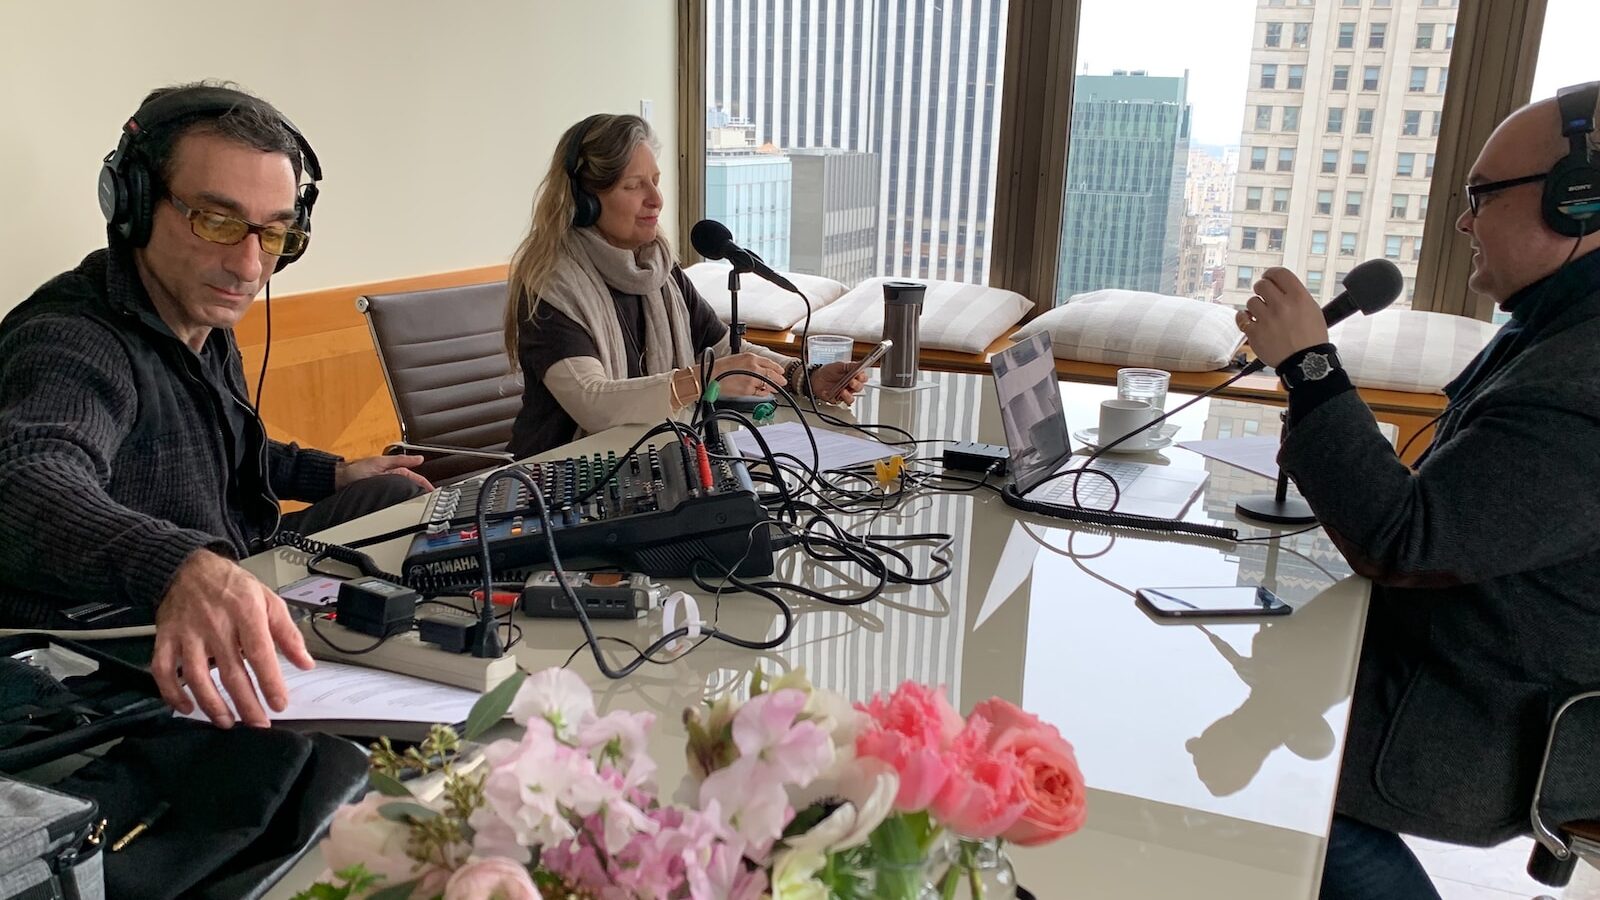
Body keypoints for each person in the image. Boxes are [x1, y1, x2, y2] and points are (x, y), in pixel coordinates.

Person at [1236, 83, 1600, 900]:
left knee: (1279, 785)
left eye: (1481, 198)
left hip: (1509, 711)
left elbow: (1406, 538)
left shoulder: (1582, 382)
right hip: (1481, 650)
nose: (1466, 222)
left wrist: (1310, 366)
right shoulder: (1555, 328)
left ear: (1577, 202)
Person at [0, 83, 434, 730]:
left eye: (275, 232)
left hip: (237, 562)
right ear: (134, 204)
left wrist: (331, 476)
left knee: (395, 502)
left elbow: (223, 446)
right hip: (120, 635)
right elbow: (26, 476)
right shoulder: (71, 339)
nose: (249, 264)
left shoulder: (200, 315)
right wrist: (178, 567)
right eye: (217, 221)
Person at [503, 113, 869, 457]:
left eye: (656, 182)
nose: (656, 200)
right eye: (634, 186)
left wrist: (806, 377)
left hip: (652, 463)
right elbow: (593, 403)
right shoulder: (550, 287)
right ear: (586, 203)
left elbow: (723, 352)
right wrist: (697, 380)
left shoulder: (659, 269)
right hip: (557, 483)